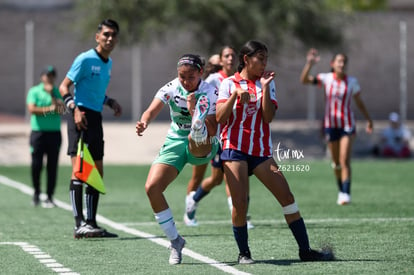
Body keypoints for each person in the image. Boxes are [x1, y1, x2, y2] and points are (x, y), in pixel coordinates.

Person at [217, 40, 334, 264]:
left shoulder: (267, 83)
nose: (264, 63)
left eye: (266, 59)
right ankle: (244, 253)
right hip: (234, 150)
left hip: (261, 152)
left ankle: (305, 251)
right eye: (260, 58)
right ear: (246, 59)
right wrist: (235, 96)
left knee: (287, 198)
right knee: (240, 204)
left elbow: (268, 117)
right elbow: (221, 117)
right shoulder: (229, 83)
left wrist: (264, 90)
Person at [136, 54, 219, 265]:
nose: (185, 81)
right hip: (176, 140)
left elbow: (214, 128)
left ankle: (196, 123)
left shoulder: (210, 91)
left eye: (190, 76)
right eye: (181, 76)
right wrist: (144, 122)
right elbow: (152, 109)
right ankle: (175, 241)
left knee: (196, 133)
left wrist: (194, 112)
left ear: (201, 73)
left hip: (204, 144)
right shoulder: (171, 88)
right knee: (152, 187)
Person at [59, 19, 122, 239]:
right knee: (79, 171)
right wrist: (73, 109)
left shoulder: (108, 63)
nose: (109, 38)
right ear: (97, 37)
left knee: (96, 172)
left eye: (113, 35)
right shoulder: (85, 59)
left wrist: (110, 101)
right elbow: (64, 86)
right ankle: (79, 225)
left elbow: (94, 91)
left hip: (95, 118)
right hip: (80, 117)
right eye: (106, 34)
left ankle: (91, 223)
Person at [184, 46, 254, 229]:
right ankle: (193, 200)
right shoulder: (214, 80)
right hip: (218, 136)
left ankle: (242, 216)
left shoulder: (241, 79)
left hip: (238, 135)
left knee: (239, 177)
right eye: (226, 56)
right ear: (221, 60)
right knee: (216, 179)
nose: (230, 58)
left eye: (233, 55)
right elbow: (200, 98)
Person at [300, 48, 373, 205]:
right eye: (339, 61)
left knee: (344, 160)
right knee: (336, 163)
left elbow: (359, 102)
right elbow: (304, 80)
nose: (342, 64)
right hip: (330, 125)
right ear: (332, 63)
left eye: (344, 62)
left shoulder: (352, 82)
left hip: (347, 125)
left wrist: (368, 119)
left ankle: (346, 193)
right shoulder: (326, 79)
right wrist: (309, 64)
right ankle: (341, 190)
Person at [26, 66, 64, 208]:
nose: (49, 78)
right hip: (38, 133)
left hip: (54, 133)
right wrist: (49, 109)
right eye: (47, 75)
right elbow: (32, 109)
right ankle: (36, 193)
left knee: (52, 166)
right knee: (36, 165)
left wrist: (53, 97)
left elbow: (61, 109)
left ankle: (49, 196)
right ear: (42, 77)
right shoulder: (34, 91)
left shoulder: (58, 92)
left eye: (52, 75)